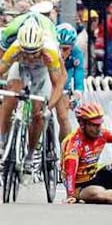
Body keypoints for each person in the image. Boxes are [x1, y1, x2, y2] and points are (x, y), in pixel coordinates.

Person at [0, 18, 65, 177]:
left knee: (38, 113)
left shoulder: (50, 51)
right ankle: (2, 141)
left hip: (43, 71)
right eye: (26, 52)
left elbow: (58, 84)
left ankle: (30, 156)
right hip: (20, 67)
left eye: (34, 52)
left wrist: (48, 107)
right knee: (11, 94)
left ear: (41, 47)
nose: (30, 56)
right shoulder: (15, 49)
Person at [61, 103, 112, 205]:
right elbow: (70, 173)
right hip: (80, 186)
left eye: (99, 124)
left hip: (95, 175)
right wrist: (70, 195)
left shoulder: (102, 134)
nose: (98, 128)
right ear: (82, 124)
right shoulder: (74, 144)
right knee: (98, 195)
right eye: (94, 125)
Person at [55, 23, 84, 141]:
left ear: (72, 47)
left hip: (64, 83)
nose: (62, 52)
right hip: (48, 79)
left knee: (63, 118)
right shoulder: (48, 49)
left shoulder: (76, 53)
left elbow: (79, 75)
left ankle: (65, 151)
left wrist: (77, 94)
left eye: (66, 49)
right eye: (59, 48)